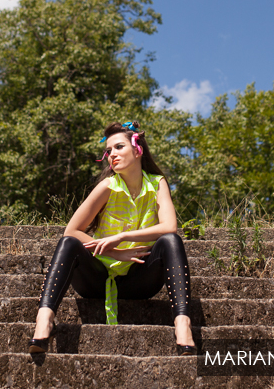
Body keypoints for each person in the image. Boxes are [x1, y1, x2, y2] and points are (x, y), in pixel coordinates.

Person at [28, 121, 196, 355]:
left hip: (139, 279)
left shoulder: (158, 184)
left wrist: (123, 236)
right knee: (68, 244)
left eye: (118, 147)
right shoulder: (107, 186)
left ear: (138, 150)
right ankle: (44, 320)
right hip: (97, 279)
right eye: (108, 151)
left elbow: (169, 226)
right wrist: (114, 251)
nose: (111, 155)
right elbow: (71, 231)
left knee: (171, 241)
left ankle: (182, 324)